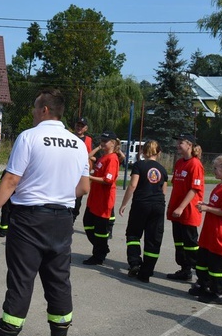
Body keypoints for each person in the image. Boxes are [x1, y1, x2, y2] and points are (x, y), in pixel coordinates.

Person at [0, 88, 90, 336]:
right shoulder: (78, 143)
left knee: (21, 281)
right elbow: (83, 187)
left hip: (30, 220)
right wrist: (57, 194)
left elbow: (11, 181)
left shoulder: (29, 137)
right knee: (59, 282)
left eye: (36, 108)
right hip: (62, 219)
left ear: (45, 109)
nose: (34, 112)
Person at [188, 155, 222, 305]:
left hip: (220, 233)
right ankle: (204, 285)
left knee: (217, 266)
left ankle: (218, 293)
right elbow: (216, 207)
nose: (214, 171)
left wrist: (207, 208)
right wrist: (206, 205)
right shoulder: (220, 186)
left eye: (216, 168)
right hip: (210, 232)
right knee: (203, 261)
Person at [118, 140, 168, 282]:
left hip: (141, 204)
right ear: (159, 153)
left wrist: (123, 204)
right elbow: (163, 192)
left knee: (133, 234)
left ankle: (134, 262)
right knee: (153, 239)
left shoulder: (139, 165)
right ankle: (146, 272)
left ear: (143, 151)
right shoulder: (163, 170)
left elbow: (133, 185)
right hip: (158, 205)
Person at [166, 133, 205, 281]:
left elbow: (194, 189)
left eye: (180, 143)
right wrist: (171, 205)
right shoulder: (179, 163)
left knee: (191, 244)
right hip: (177, 210)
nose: (178, 145)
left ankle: (202, 277)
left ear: (189, 145)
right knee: (179, 242)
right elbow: (176, 187)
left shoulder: (195, 164)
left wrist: (181, 207)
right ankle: (185, 270)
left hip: (188, 211)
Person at [83, 130, 120, 265]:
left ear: (113, 143)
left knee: (100, 231)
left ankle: (99, 255)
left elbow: (107, 180)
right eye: (102, 140)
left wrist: (89, 177)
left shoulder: (112, 158)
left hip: (104, 201)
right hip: (94, 199)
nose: (102, 143)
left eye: (105, 141)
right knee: (88, 224)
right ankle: (102, 248)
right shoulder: (103, 157)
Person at [71, 117, 92, 224]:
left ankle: (73, 218)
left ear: (85, 128)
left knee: (77, 200)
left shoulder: (88, 140)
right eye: (78, 125)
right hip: (70, 171)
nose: (79, 127)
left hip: (81, 173)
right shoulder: (69, 137)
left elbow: (90, 156)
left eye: (82, 126)